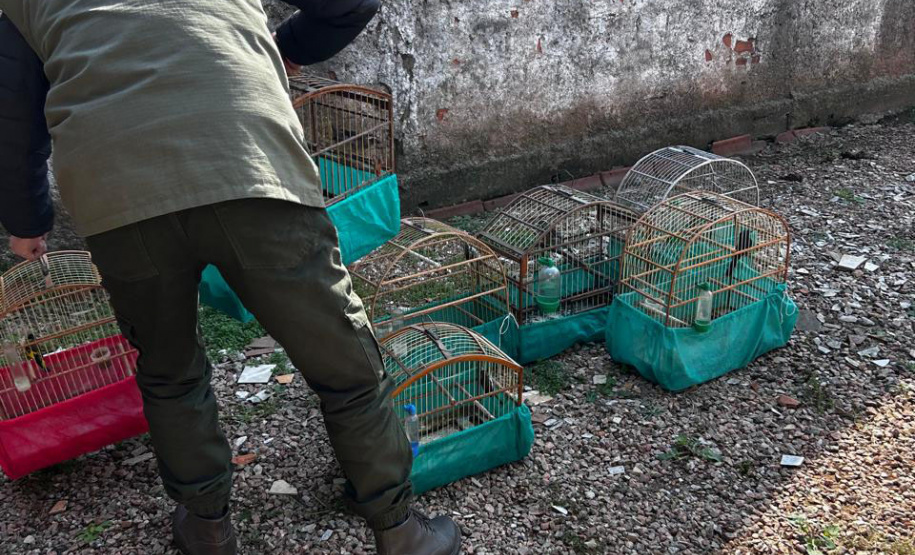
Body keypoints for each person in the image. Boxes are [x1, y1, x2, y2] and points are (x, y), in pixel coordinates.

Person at [0, 2, 462, 554]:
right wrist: (289, 46)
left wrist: (26, 222)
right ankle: (398, 529)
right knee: (345, 364)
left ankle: (207, 529)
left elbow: (13, 115)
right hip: (246, 156)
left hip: (115, 189)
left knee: (169, 371)